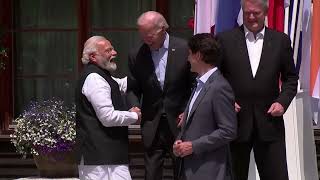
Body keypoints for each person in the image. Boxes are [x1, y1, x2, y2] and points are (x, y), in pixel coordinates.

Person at [216, 0, 298, 179]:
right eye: (247, 13)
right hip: (234, 124)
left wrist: (282, 102)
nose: (251, 17)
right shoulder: (225, 39)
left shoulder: (280, 40)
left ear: (266, 13)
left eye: (256, 13)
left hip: (269, 123)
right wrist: (226, 101)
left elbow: (291, 78)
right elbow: (215, 78)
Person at [127, 11, 195, 180]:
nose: (145, 39)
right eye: (142, 35)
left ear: (163, 29)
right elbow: (133, 87)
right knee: (151, 174)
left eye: (149, 35)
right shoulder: (137, 54)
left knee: (182, 172)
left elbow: (195, 85)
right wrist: (134, 105)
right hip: (152, 123)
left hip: (180, 121)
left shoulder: (184, 49)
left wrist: (188, 110)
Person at [75, 36, 141, 180]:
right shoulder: (94, 79)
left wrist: (148, 75)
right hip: (100, 163)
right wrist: (133, 116)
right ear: (93, 56)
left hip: (108, 158)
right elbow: (108, 118)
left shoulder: (102, 77)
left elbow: (119, 84)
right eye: (108, 50)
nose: (114, 52)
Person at [173, 33, 237, 180]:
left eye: (189, 54)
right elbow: (191, 123)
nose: (187, 59)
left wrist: (193, 146)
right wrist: (179, 141)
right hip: (190, 169)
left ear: (199, 56)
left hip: (209, 171)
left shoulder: (219, 87)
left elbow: (228, 131)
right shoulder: (199, 85)